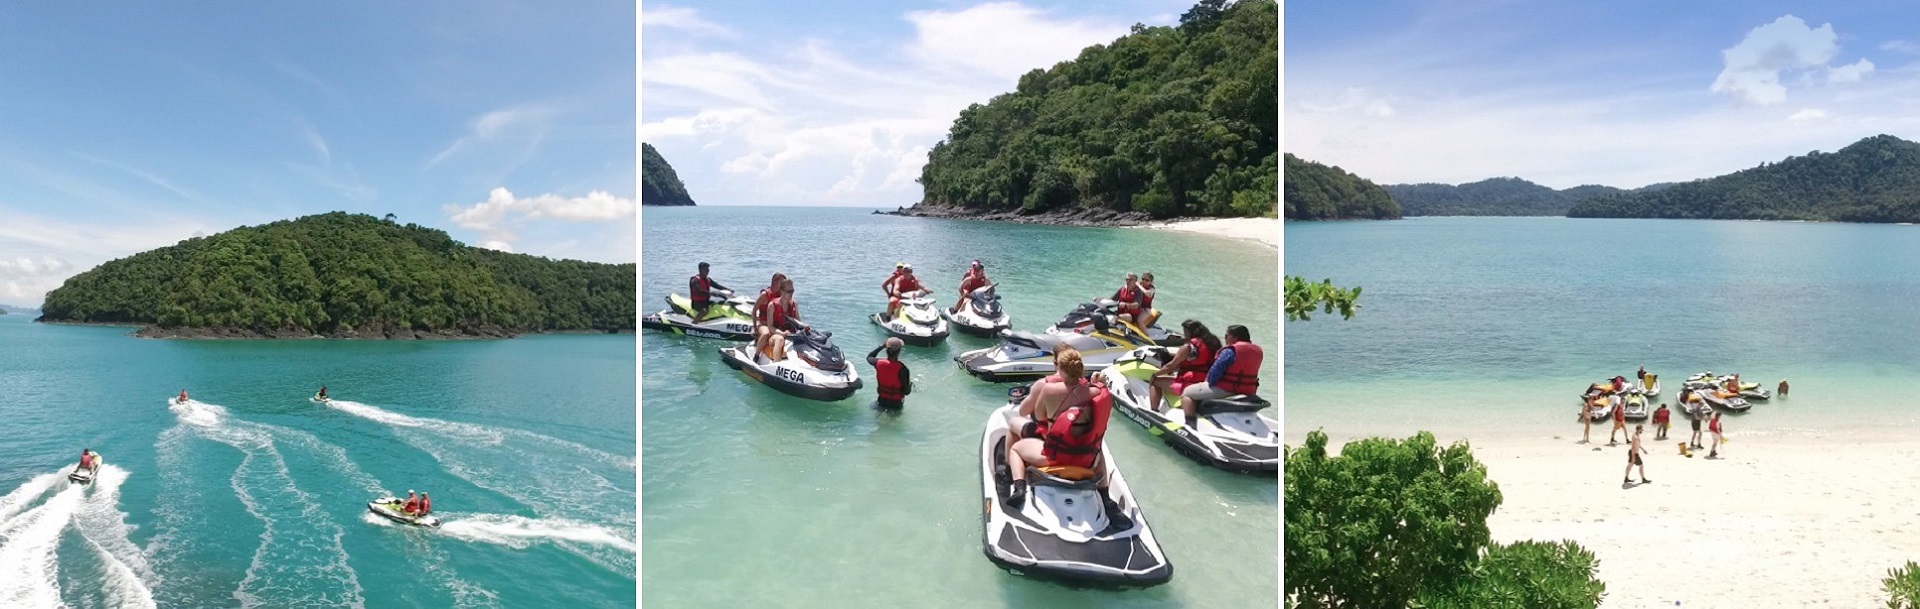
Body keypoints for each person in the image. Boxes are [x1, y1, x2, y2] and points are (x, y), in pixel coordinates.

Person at [1002, 348, 1115, 512]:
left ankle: (1018, 487)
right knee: (1098, 446)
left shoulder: (1049, 390)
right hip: (1086, 459)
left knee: (1016, 449)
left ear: (1060, 369)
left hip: (1054, 457)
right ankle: (1105, 496)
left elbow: (1040, 416)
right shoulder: (1096, 392)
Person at [1178, 324, 1261, 427]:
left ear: (1235, 337)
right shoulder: (1257, 351)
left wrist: (1206, 383)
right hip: (1248, 391)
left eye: (1227, 336)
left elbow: (1213, 375)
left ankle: (1190, 424)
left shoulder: (1230, 351)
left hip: (1226, 390)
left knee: (1187, 393)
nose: (1225, 338)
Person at [1149, 320, 1218, 413]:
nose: (1184, 334)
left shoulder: (1188, 347)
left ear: (1189, 332)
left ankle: (1154, 411)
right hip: (1208, 382)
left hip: (1191, 383)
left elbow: (1170, 367)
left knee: (1155, 381)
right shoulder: (1213, 343)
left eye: (1185, 331)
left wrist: (1155, 374)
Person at [758, 279, 802, 362]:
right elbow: (770, 326)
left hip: (791, 335)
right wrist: (782, 333)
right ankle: (776, 364)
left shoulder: (794, 304)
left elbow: (798, 321)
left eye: (792, 291)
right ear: (781, 291)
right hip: (775, 335)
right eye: (788, 291)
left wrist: (805, 328)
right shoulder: (772, 305)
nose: (791, 294)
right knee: (780, 339)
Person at [867, 337, 912, 410]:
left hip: (881, 401)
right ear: (899, 351)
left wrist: (881, 346)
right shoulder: (903, 369)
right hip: (896, 404)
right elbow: (907, 392)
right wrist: (909, 384)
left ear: (886, 350)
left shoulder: (878, 363)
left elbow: (869, 357)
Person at [752, 273, 789, 359]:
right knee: (765, 333)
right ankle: (756, 355)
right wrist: (755, 328)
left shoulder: (781, 295)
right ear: (775, 282)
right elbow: (754, 311)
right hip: (763, 324)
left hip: (774, 325)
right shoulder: (764, 295)